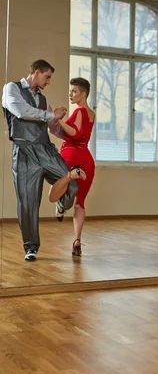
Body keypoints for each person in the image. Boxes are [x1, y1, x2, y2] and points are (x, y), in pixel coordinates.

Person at [2, 60, 83, 261]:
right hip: (24, 152)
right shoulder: (11, 89)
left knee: (71, 184)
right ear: (36, 73)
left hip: (45, 149)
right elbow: (20, 110)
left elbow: (53, 126)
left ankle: (61, 204)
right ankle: (31, 247)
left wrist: (72, 134)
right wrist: (49, 115)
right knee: (28, 202)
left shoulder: (43, 99)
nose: (48, 82)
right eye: (47, 77)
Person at [48, 78, 95, 256]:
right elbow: (81, 135)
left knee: (56, 189)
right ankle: (77, 240)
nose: (71, 94)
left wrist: (58, 120)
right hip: (87, 159)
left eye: (74, 91)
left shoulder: (80, 111)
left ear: (83, 94)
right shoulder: (91, 113)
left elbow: (75, 133)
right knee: (80, 203)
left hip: (71, 156)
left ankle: (60, 205)